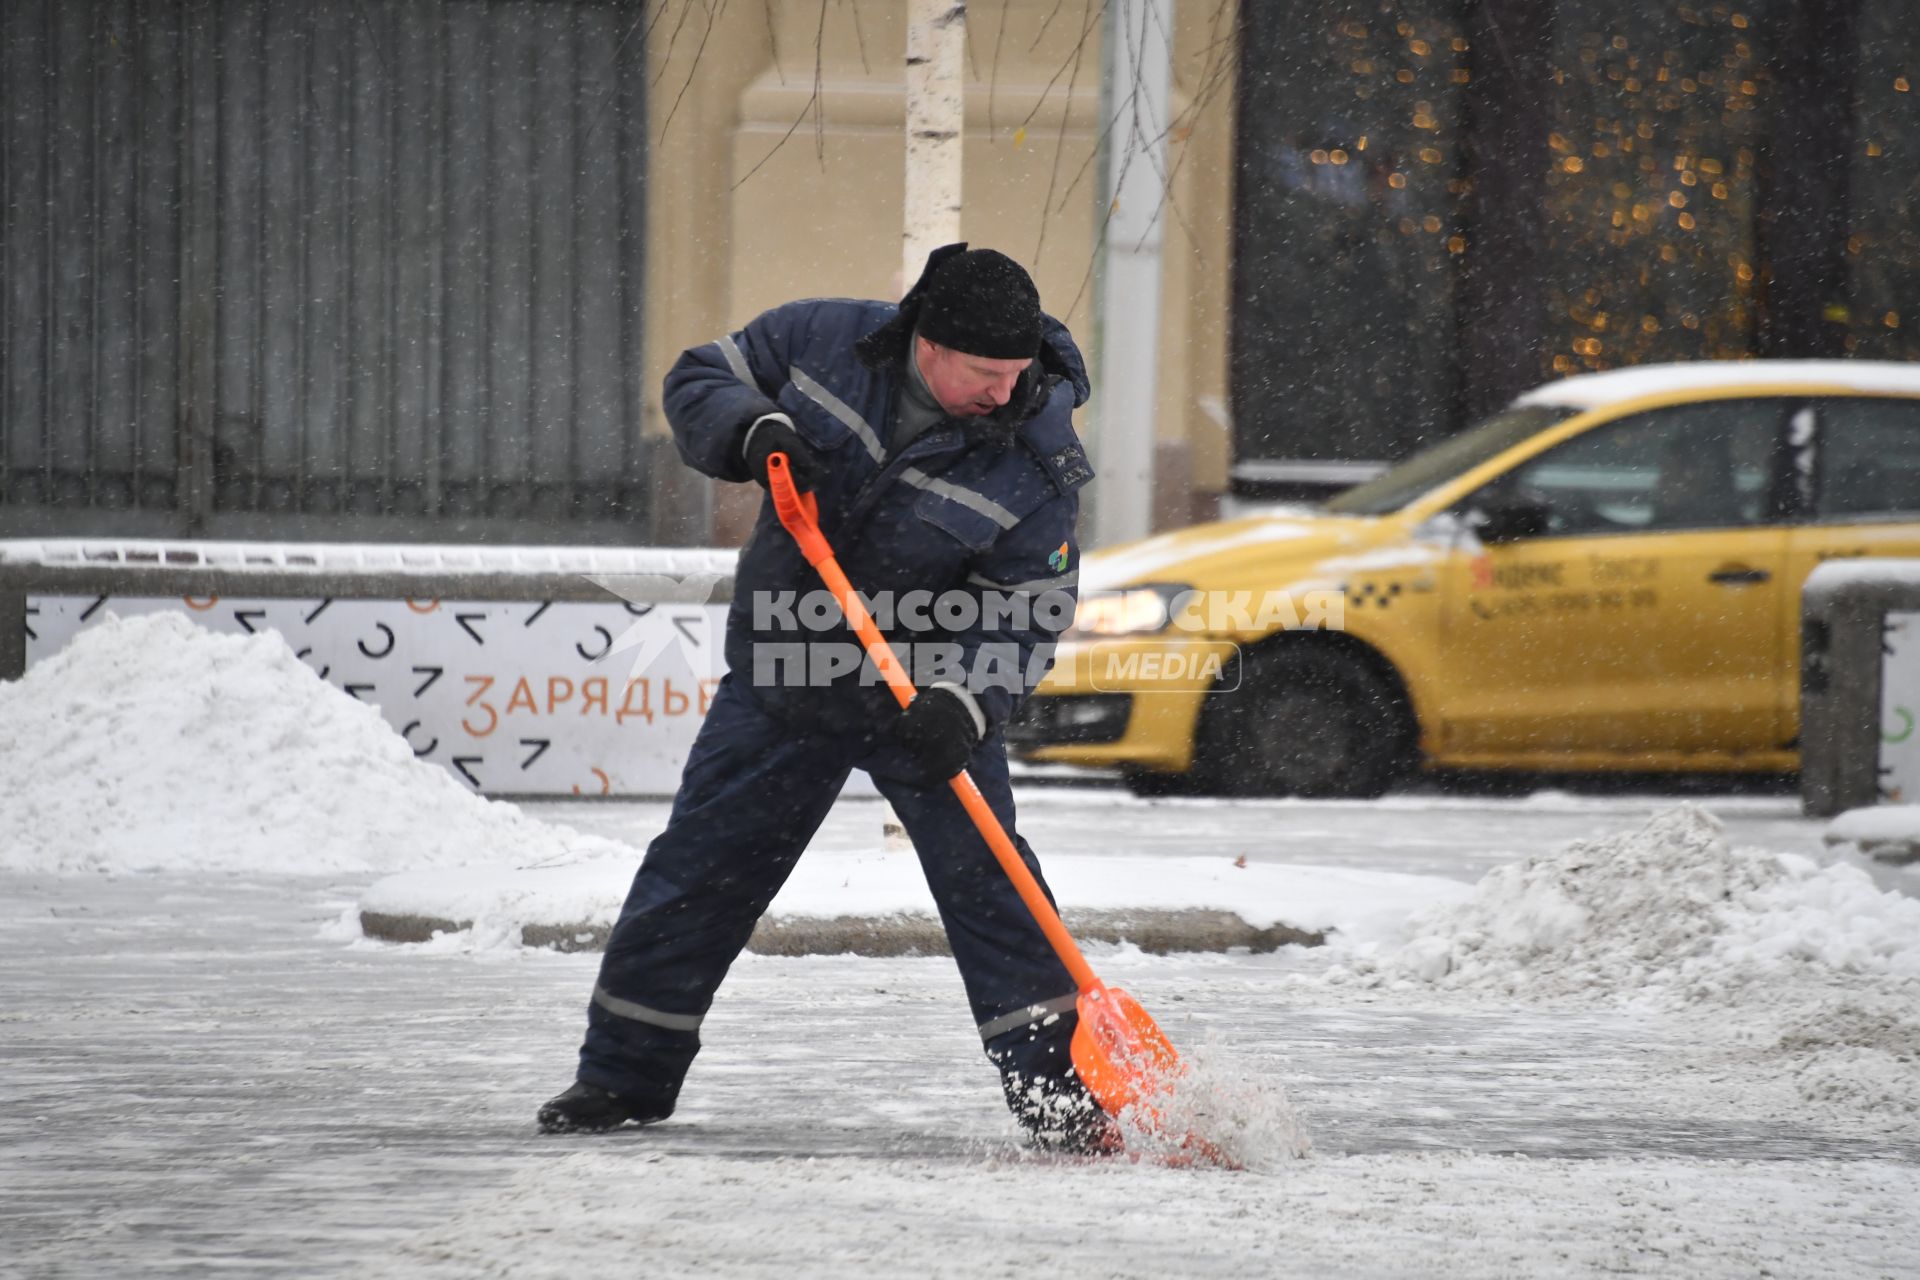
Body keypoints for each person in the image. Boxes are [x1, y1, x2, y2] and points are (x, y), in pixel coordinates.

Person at [537, 244, 1109, 1152]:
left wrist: (962, 703)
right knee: (699, 872)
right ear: (927, 341)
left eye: (1017, 373)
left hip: (920, 698)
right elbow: (704, 376)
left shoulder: (1037, 457)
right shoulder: (820, 341)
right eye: (987, 374)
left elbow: (1025, 606)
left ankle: (1067, 1103)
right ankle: (619, 1079)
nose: (1007, 393)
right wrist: (751, 427)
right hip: (786, 675)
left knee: (995, 890)